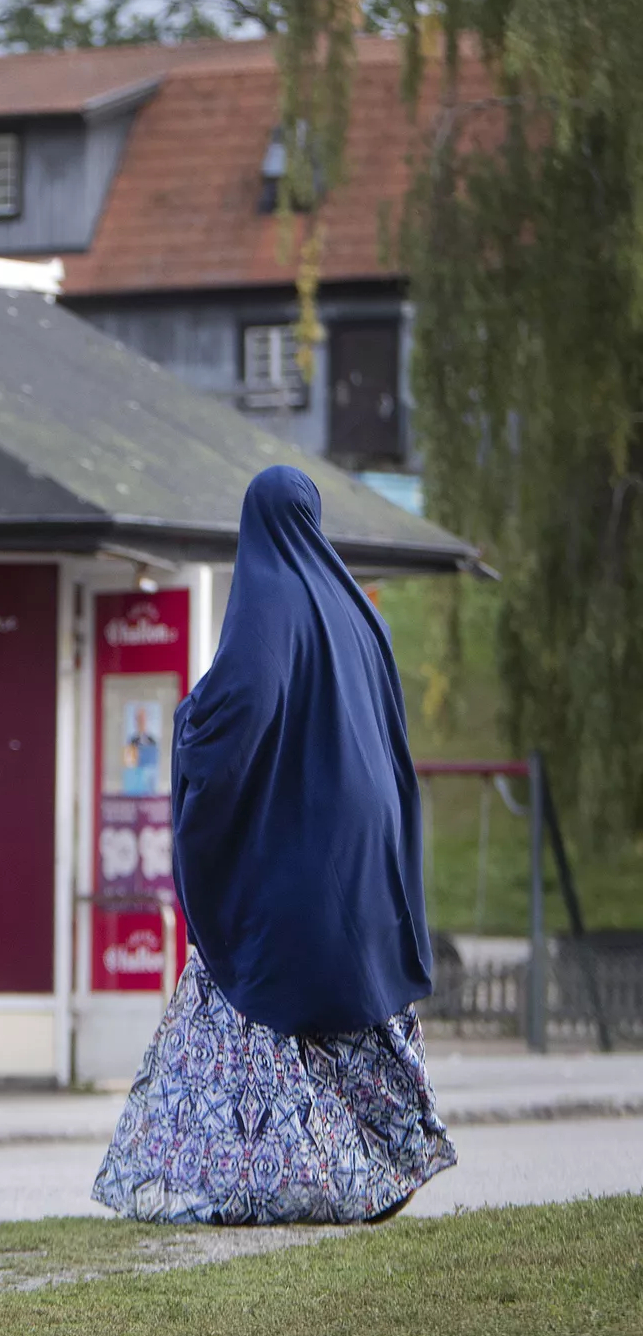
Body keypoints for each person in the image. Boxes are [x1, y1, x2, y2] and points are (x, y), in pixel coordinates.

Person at [92, 466, 456, 1226]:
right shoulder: (358, 611)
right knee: (353, 1010)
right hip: (365, 851)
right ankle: (386, 1162)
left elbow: (241, 709)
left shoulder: (270, 600)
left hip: (297, 851)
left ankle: (218, 1178)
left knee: (251, 989)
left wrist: (189, 721)